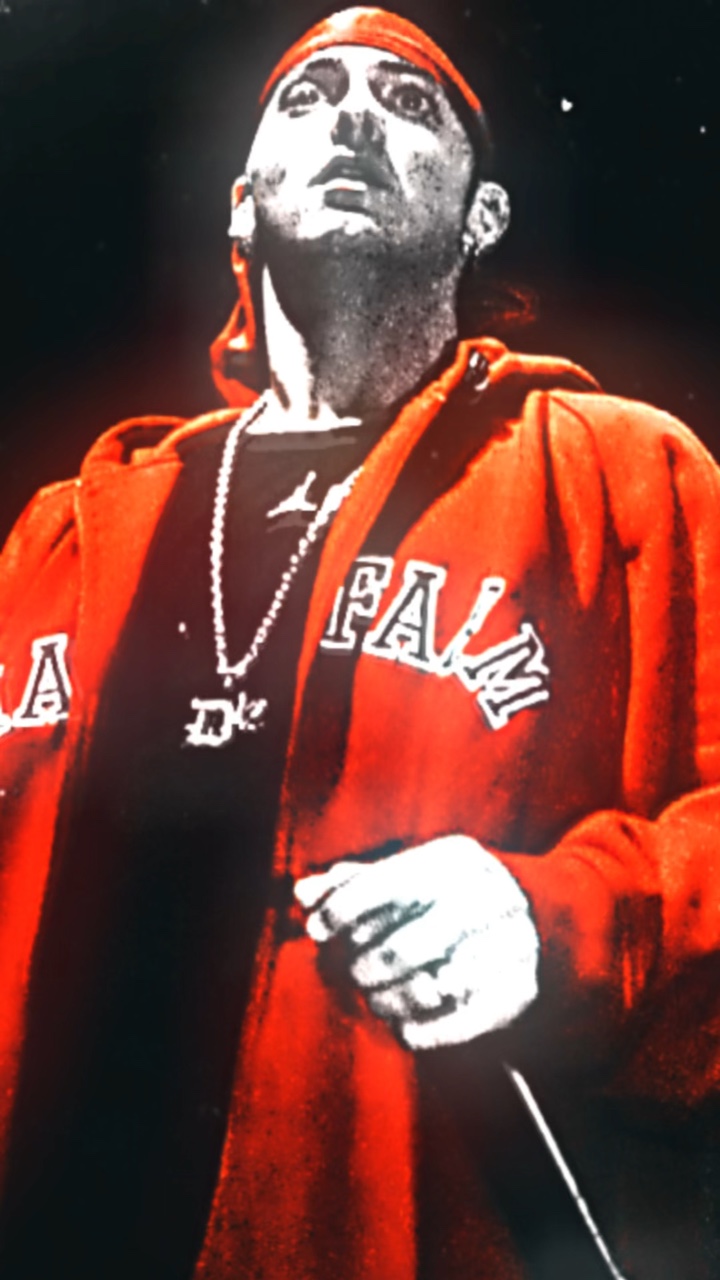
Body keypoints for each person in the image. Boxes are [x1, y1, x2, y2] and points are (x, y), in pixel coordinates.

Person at [1, 7, 720, 1278]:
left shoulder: (626, 475)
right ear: (241, 207)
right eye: (310, 95)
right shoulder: (70, 531)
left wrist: (554, 917)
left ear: (482, 215)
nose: (352, 118)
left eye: (407, 102)